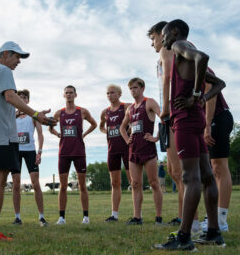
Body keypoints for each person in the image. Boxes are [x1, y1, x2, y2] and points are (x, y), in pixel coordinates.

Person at [0, 41, 55, 242]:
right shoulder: (4, 71)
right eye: (17, 57)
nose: (18, 62)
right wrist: (35, 114)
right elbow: (9, 96)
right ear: (5, 54)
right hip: (2, 137)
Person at [154, 19, 226, 250]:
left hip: (185, 120)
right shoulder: (187, 59)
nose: (163, 40)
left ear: (174, 32)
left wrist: (195, 94)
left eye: (164, 35)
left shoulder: (179, 46)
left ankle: (184, 238)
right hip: (196, 117)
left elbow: (203, 57)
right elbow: (220, 83)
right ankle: (214, 232)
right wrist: (201, 98)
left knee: (190, 177)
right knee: (206, 176)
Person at [148, 21, 184, 226]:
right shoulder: (167, 53)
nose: (152, 43)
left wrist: (166, 110)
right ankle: (182, 215)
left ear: (163, 35)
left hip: (171, 114)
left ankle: (188, 219)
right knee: (172, 171)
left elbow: (168, 77)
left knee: (179, 172)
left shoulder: (167, 50)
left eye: (153, 38)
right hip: (168, 115)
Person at [119, 78, 165, 226]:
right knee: (135, 183)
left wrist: (156, 137)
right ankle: (137, 217)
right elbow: (122, 127)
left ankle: (158, 218)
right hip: (133, 151)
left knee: (153, 183)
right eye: (131, 88)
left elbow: (163, 118)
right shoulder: (130, 108)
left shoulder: (149, 102)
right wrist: (127, 139)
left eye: (135, 88)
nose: (133, 91)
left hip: (148, 149)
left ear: (142, 88)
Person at [49, 85, 97, 225]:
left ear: (75, 95)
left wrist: (84, 134)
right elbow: (50, 127)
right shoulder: (59, 113)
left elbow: (94, 124)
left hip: (79, 152)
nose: (69, 95)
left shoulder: (82, 111)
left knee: (82, 185)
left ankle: (86, 217)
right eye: (67, 93)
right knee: (63, 186)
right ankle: (62, 218)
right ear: (63, 96)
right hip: (63, 152)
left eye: (71, 93)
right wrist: (58, 134)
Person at [201, 74, 234, 232]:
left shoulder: (198, 64)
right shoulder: (181, 71)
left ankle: (221, 220)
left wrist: (207, 124)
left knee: (219, 167)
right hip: (207, 122)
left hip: (218, 117)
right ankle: (212, 216)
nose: (154, 46)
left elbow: (211, 91)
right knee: (211, 171)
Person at [11, 89, 48, 227]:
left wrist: (39, 152)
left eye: (24, 97)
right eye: (19, 97)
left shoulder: (33, 116)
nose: (22, 99)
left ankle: (42, 217)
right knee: (15, 184)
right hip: (15, 152)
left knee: (35, 183)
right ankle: (17, 217)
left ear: (28, 100)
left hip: (30, 152)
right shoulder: (11, 115)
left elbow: (40, 135)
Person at [99, 84, 131, 222]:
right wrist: (107, 131)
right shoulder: (105, 112)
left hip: (127, 148)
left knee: (133, 182)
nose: (110, 95)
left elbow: (137, 118)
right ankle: (114, 215)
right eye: (107, 93)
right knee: (115, 183)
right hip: (112, 150)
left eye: (112, 92)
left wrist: (129, 131)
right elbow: (101, 127)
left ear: (119, 94)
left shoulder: (126, 107)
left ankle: (137, 215)